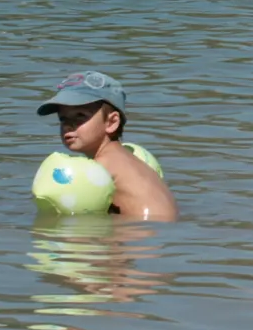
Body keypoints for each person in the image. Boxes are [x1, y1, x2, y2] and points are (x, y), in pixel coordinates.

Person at [39, 71, 177, 220]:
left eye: (80, 115)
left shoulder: (103, 166)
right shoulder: (124, 158)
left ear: (111, 122)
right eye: (63, 118)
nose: (68, 125)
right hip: (158, 231)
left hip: (141, 233)